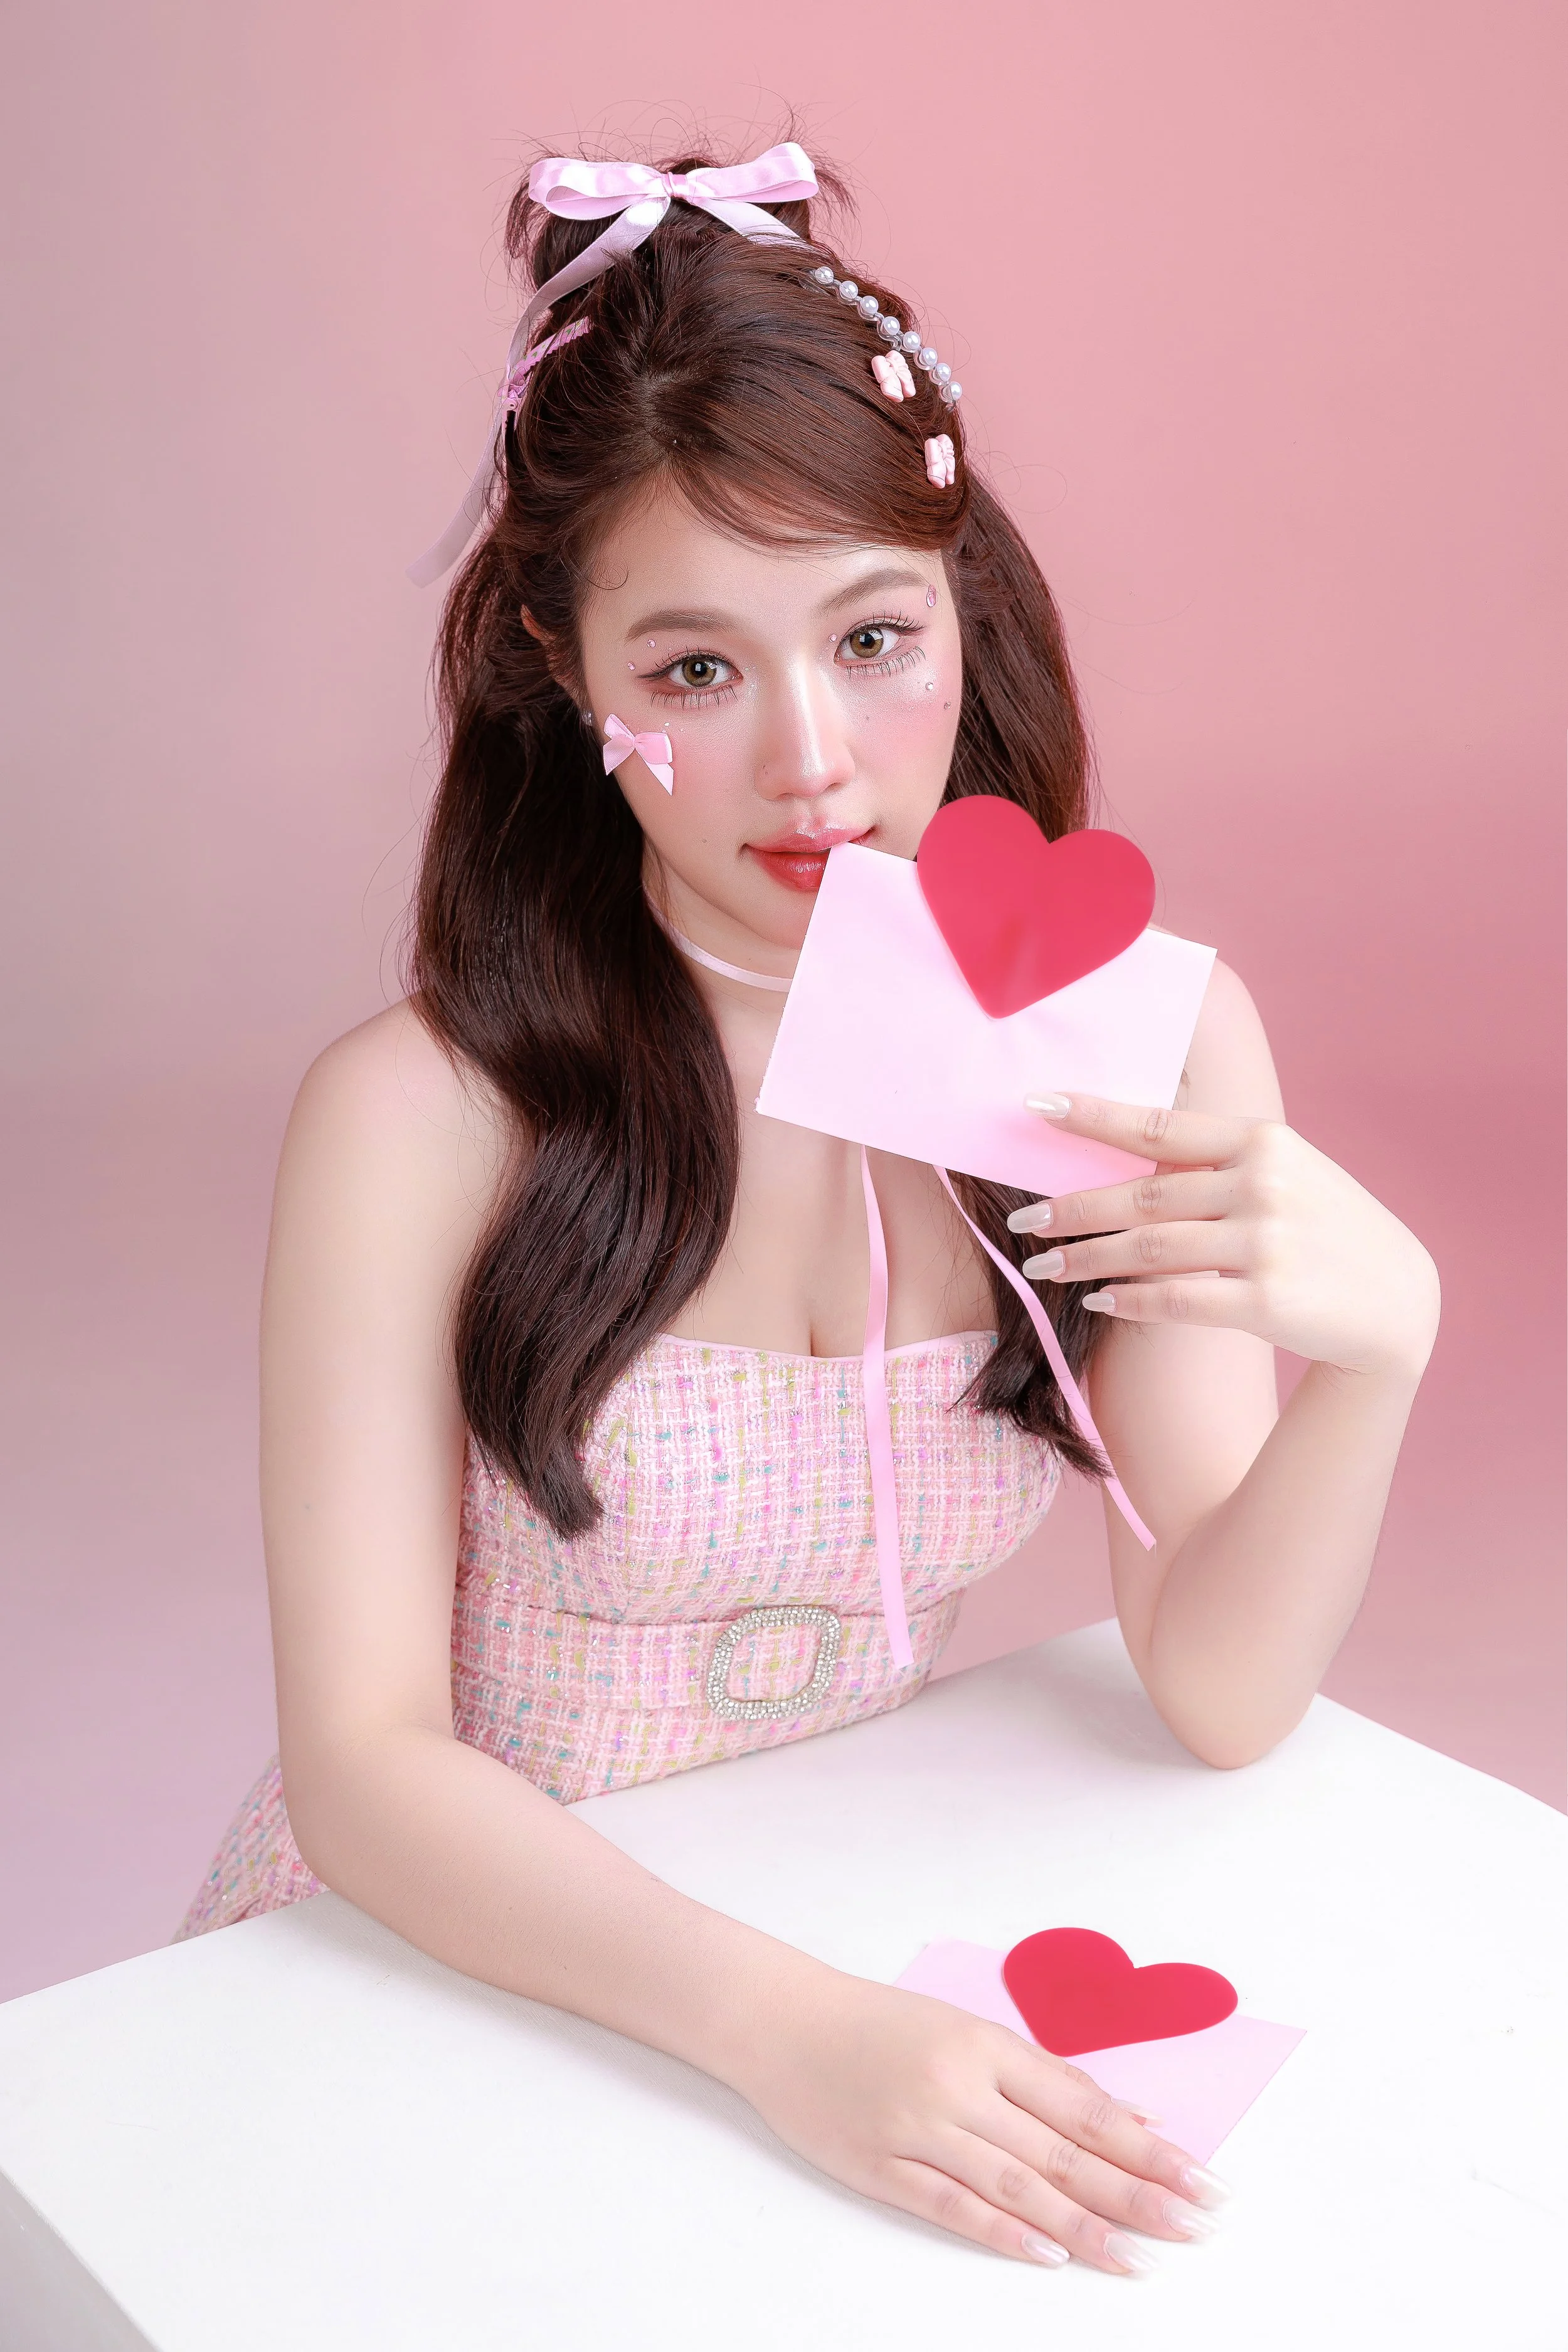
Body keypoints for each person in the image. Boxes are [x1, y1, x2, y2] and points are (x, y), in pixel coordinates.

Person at [176, 139, 1439, 2277]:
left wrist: (1379, 1357)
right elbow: (367, 1763)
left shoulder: (1129, 1048)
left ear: (972, 617)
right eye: (692, 672)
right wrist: (788, 2032)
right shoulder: (418, 1116)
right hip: (447, 1964)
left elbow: (1216, 1693)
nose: (812, 764)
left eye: (871, 636)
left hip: (852, 1948)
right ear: (561, 682)